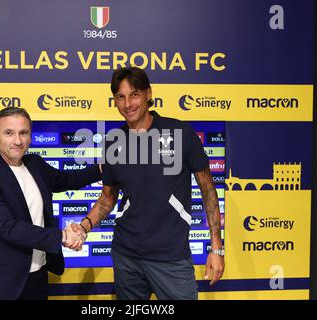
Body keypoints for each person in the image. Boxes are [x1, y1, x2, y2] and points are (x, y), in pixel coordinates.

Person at [71, 67, 225, 300]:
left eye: (134, 94)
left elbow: (208, 190)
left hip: (171, 258)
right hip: (127, 257)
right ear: (114, 101)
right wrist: (84, 227)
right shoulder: (114, 141)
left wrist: (216, 247)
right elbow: (107, 198)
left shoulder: (180, 132)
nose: (128, 103)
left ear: (148, 94)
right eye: (121, 97)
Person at [0, 107, 101, 300]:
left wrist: (103, 168)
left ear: (30, 136)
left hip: (38, 276)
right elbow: (9, 228)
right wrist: (63, 235)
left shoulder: (35, 164)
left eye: (24, 133)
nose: (18, 141)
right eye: (9, 133)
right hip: (0, 281)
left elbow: (68, 179)